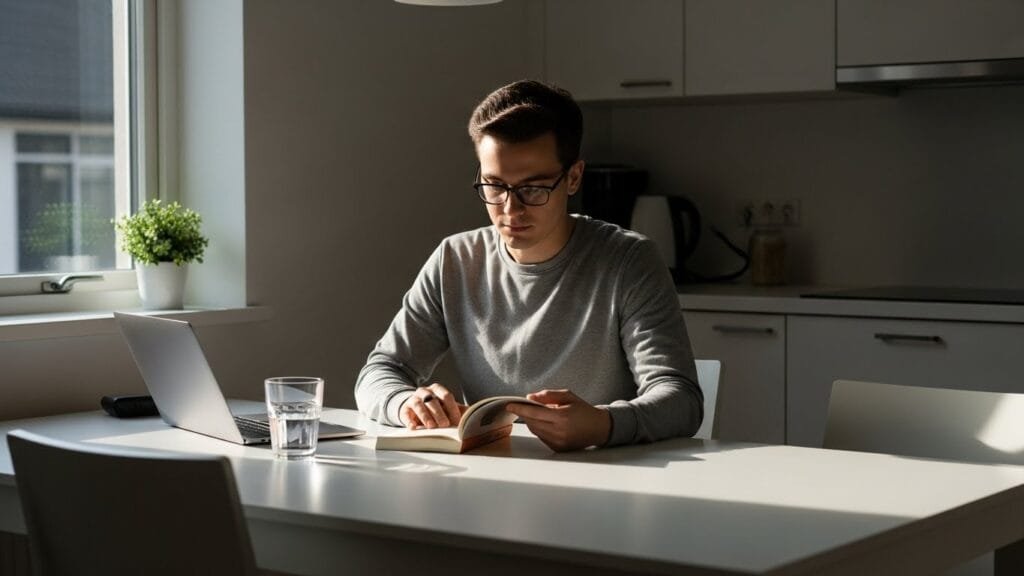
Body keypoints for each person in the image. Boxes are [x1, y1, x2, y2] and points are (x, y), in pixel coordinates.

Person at [354, 79, 702, 451]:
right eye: (494, 186)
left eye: (533, 189)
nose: (510, 209)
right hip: (491, 477)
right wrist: (406, 403)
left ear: (573, 177)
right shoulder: (455, 259)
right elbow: (379, 372)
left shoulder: (629, 261)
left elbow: (681, 399)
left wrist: (603, 424)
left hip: (605, 481)